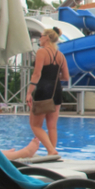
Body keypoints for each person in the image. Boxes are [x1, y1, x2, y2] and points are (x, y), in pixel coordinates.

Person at [26, 27, 69, 155]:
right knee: (52, 126)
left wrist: (29, 92)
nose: (39, 38)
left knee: (35, 125)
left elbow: (36, 74)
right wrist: (53, 77)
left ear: (47, 38)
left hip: (43, 91)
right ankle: (52, 153)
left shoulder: (42, 52)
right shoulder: (61, 56)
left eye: (41, 36)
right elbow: (66, 77)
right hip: (56, 91)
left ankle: (51, 150)